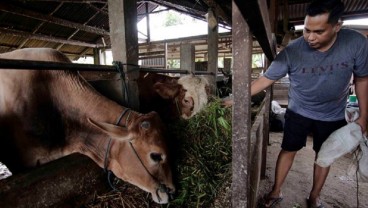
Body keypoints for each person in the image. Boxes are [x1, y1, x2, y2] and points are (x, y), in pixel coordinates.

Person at [250, 0, 368, 207]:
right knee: (288, 149)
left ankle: (314, 196)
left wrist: (365, 116)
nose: (310, 37)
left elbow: (362, 79)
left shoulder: (356, 43)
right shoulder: (293, 51)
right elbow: (266, 79)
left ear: (336, 27)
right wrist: (236, 97)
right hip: (298, 111)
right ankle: (275, 191)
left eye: (319, 31)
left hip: (332, 114)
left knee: (324, 155)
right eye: (307, 30)